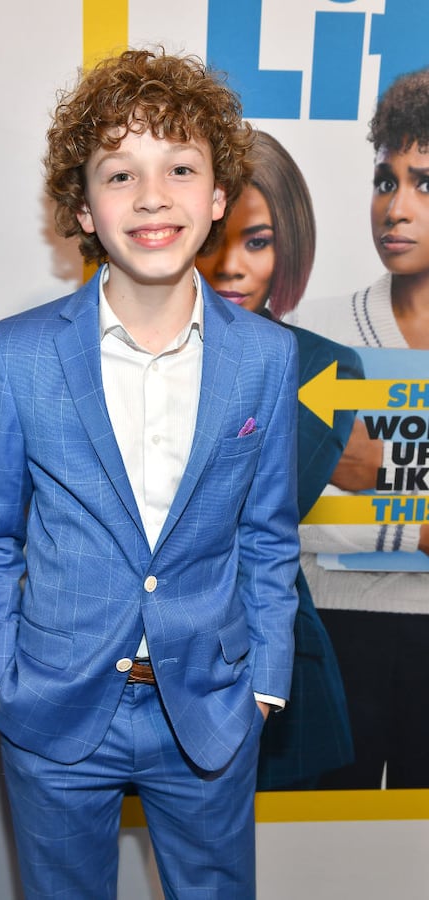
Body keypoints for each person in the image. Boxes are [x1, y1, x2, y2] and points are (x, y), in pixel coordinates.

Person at [0, 48, 300, 898]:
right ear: (82, 206)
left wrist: (264, 686)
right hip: (56, 711)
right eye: (120, 174)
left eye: (181, 168)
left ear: (218, 196)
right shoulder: (21, 352)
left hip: (211, 710)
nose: (153, 197)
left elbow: (268, 536)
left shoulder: (266, 356)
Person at [197, 131, 360, 790]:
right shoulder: (116, 354)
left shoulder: (324, 366)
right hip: (131, 679)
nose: (233, 264)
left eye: (257, 241)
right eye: (215, 238)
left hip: (271, 683)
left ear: (288, 245)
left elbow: (242, 516)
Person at [289, 67, 429, 789]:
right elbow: (315, 499)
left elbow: (354, 472)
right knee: (325, 845)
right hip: (337, 626)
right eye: (386, 181)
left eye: (424, 184)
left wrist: (377, 468)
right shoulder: (319, 331)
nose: (396, 209)